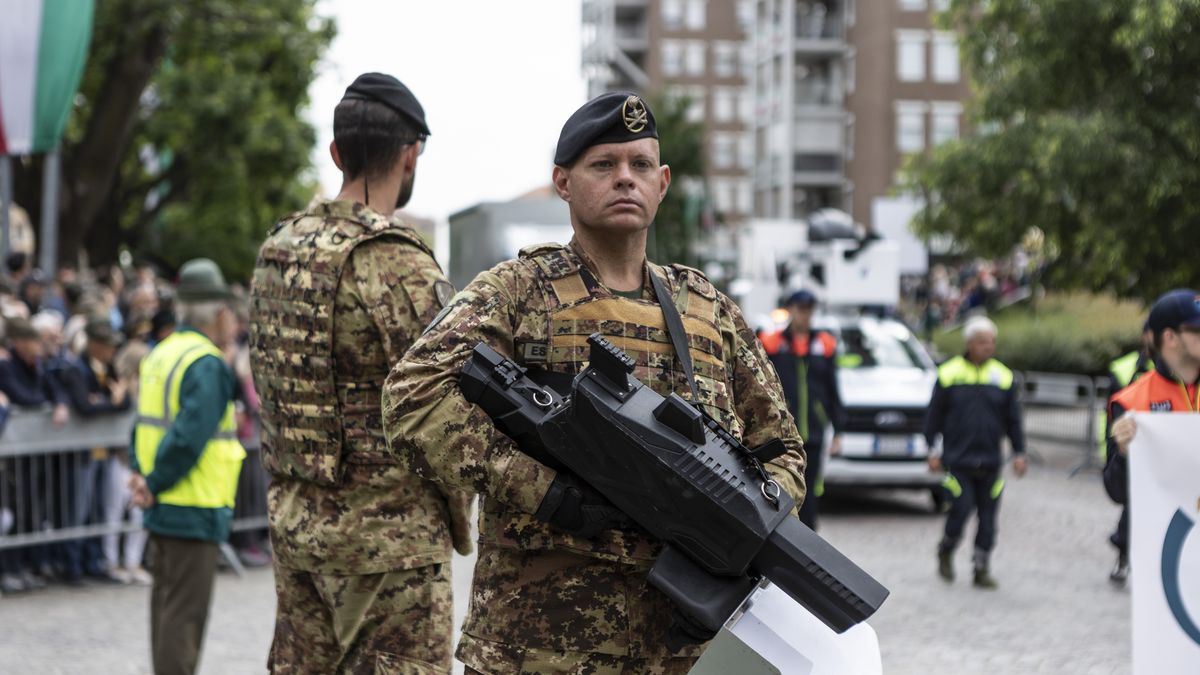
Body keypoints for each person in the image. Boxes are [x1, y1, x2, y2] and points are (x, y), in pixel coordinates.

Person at [383, 92, 806, 674]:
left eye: (638, 166)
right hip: (536, 651)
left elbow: (781, 448)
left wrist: (738, 521)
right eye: (603, 166)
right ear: (563, 182)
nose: (624, 179)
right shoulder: (518, 291)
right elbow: (412, 396)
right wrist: (542, 490)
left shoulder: (708, 308)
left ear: (662, 182)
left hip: (681, 655)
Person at [249, 72, 472, 674]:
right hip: (389, 547)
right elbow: (451, 408)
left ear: (336, 152)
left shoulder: (277, 251)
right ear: (410, 154)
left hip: (297, 528)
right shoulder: (398, 262)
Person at [129, 258, 245, 675]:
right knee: (183, 621)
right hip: (193, 504)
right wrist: (155, 482)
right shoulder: (207, 363)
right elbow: (186, 439)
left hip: (164, 504)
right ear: (217, 313)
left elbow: (143, 424)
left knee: (165, 613)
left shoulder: (162, 353)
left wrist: (143, 478)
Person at [1104, 289, 1200, 582]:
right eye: (1197, 329)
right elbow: (1117, 491)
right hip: (1167, 551)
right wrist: (1122, 452)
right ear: (1170, 338)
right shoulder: (1130, 402)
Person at [924, 315, 1027, 589]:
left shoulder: (1003, 377)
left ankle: (981, 568)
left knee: (989, 521)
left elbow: (1014, 419)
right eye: (982, 342)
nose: (988, 347)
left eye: (991, 342)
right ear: (969, 343)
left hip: (992, 463)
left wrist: (1019, 452)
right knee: (959, 510)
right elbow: (933, 416)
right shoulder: (949, 373)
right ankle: (946, 549)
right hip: (958, 461)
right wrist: (932, 450)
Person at [758, 289, 845, 529]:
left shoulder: (824, 343)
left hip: (815, 431)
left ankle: (809, 536)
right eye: (801, 309)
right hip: (783, 433)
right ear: (791, 310)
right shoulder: (773, 342)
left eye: (809, 310)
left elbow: (833, 388)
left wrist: (838, 429)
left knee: (811, 489)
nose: (805, 315)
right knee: (784, 485)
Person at [58, 318, 132, 585]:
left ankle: (94, 561)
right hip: (83, 451)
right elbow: (84, 407)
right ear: (94, 345)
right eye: (108, 346)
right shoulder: (76, 368)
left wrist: (108, 402)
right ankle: (73, 566)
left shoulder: (107, 368)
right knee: (79, 510)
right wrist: (109, 402)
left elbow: (124, 402)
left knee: (99, 509)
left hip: (104, 450)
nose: (113, 351)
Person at [1100, 321, 1154, 585]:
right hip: (1135, 450)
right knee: (1132, 505)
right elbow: (1112, 415)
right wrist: (1112, 451)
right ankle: (1123, 554)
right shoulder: (1124, 369)